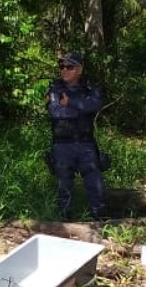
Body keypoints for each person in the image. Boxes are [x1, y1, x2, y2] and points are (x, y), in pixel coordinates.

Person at [46, 52, 107, 220]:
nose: (64, 70)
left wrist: (70, 103)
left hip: (85, 144)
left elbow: (94, 106)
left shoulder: (88, 88)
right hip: (62, 145)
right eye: (62, 67)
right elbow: (56, 113)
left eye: (69, 67)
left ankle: (100, 219)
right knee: (64, 185)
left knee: (95, 184)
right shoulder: (55, 89)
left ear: (79, 70)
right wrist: (80, 108)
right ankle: (66, 221)